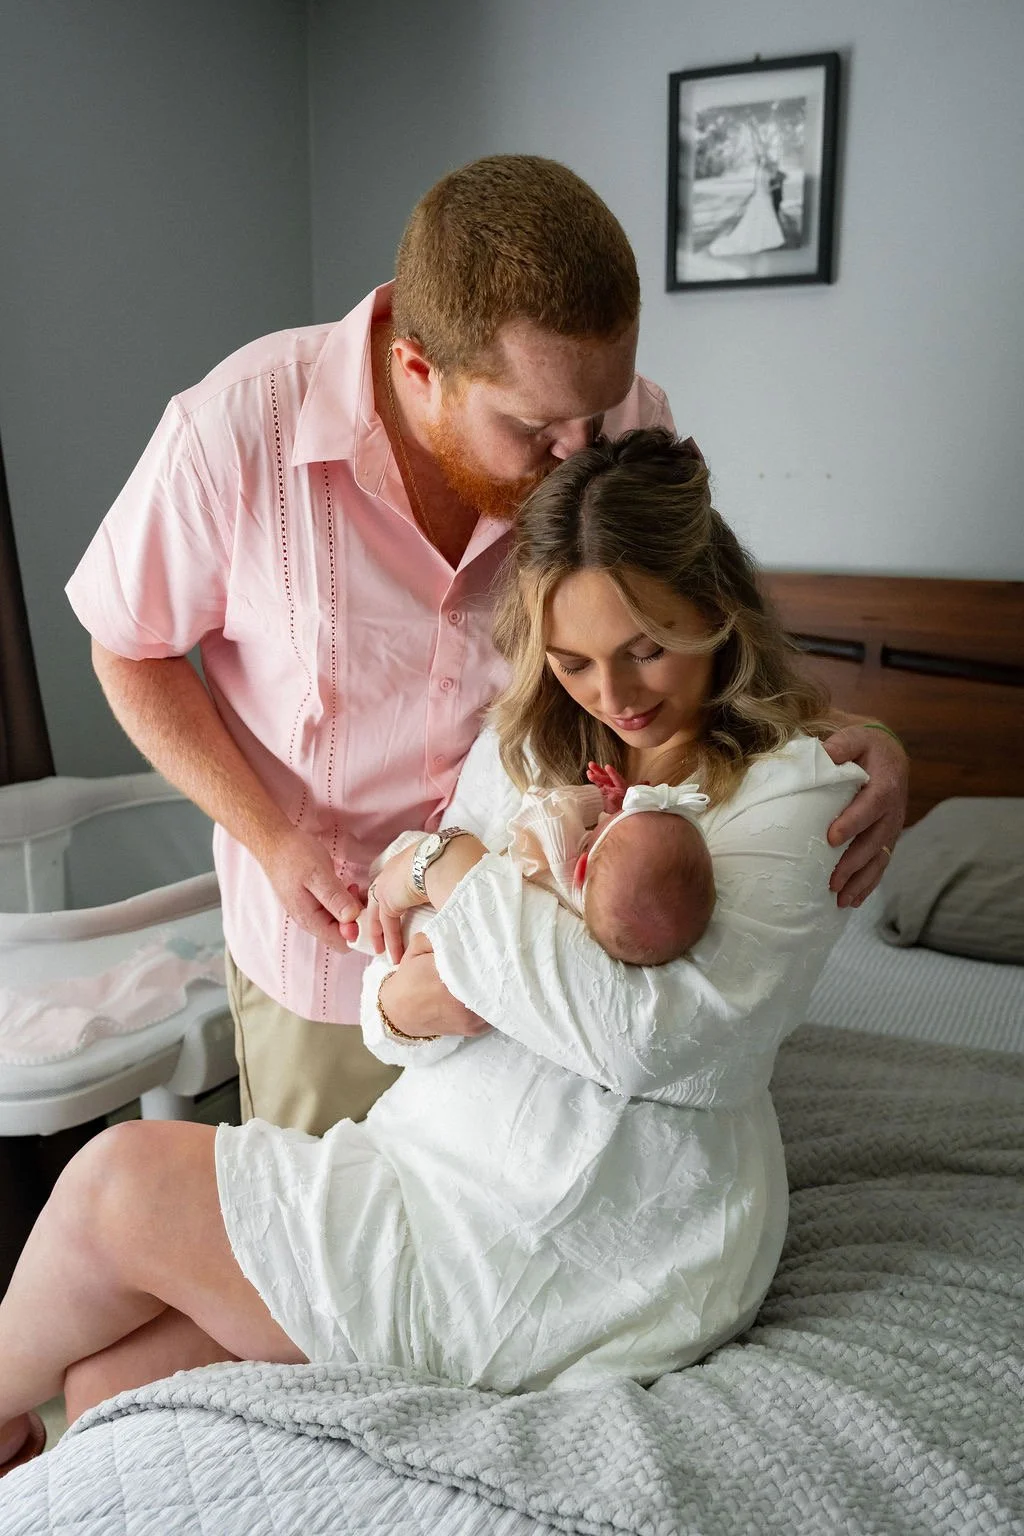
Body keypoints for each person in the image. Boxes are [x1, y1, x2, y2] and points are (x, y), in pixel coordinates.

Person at [0, 428, 874, 1473]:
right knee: (108, 1382)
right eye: (572, 658)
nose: (615, 691)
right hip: (431, 1154)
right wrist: (414, 998)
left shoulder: (795, 795)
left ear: (718, 615)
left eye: (649, 645)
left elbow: (651, 1044)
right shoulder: (530, 746)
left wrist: (456, 871)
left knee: (121, 1177)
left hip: (595, 1236)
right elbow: (394, 980)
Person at [63, 155, 908, 1140]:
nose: (584, 446)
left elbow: (682, 639)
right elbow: (130, 650)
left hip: (568, 966)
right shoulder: (230, 437)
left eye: (603, 407)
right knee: (327, 1271)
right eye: (540, 427)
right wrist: (271, 837)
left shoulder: (617, 429)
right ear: (420, 370)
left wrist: (843, 730)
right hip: (339, 963)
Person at [354, 770, 715, 968]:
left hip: (442, 896)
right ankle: (358, 921)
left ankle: (358, 912)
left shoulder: (563, 864)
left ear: (582, 863)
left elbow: (549, 810)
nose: (605, 816)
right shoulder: (601, 918)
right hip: (457, 939)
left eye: (602, 825)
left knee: (409, 858)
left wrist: (594, 801)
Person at [709, 156, 786, 259]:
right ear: (765, 164)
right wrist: (775, 187)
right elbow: (767, 189)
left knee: (756, 220)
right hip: (764, 199)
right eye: (767, 162)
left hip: (758, 198)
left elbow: (757, 187)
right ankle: (766, 240)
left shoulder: (758, 172)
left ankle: (761, 238)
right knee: (764, 219)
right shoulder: (765, 173)